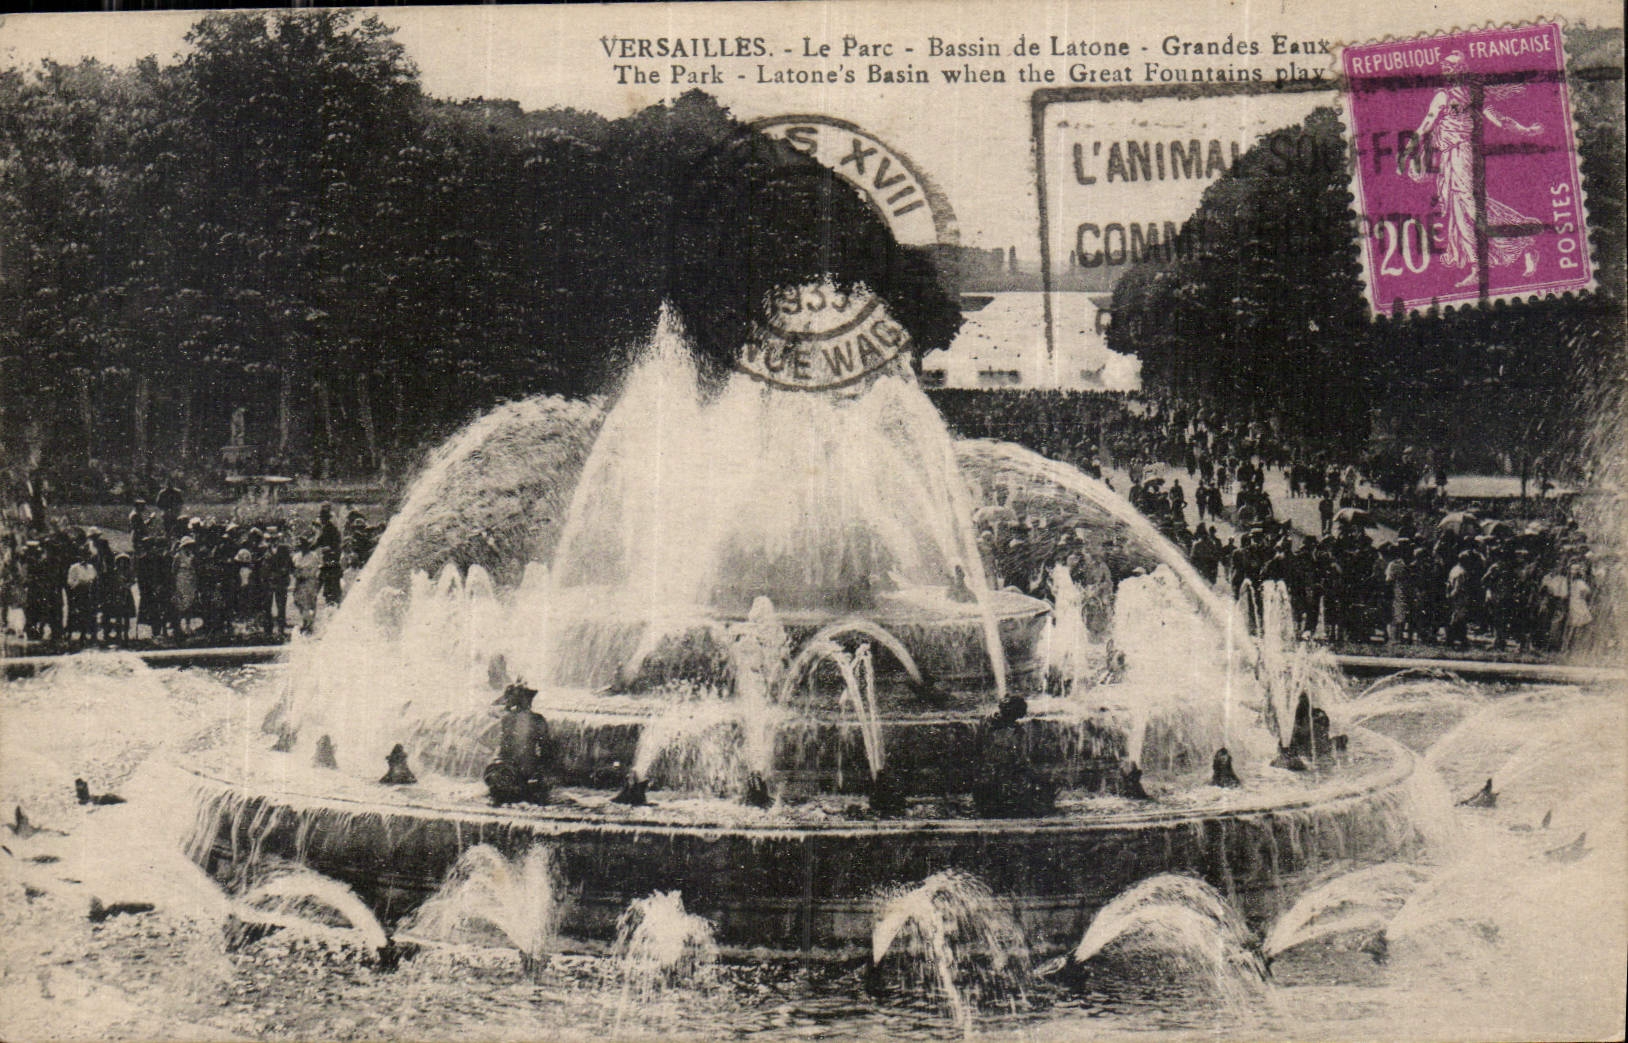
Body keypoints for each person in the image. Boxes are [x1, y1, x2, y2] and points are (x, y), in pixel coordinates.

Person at [484, 681, 552, 806]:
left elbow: (504, 748)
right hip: (526, 769)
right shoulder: (537, 719)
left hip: (506, 769)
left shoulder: (507, 718)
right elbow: (546, 748)